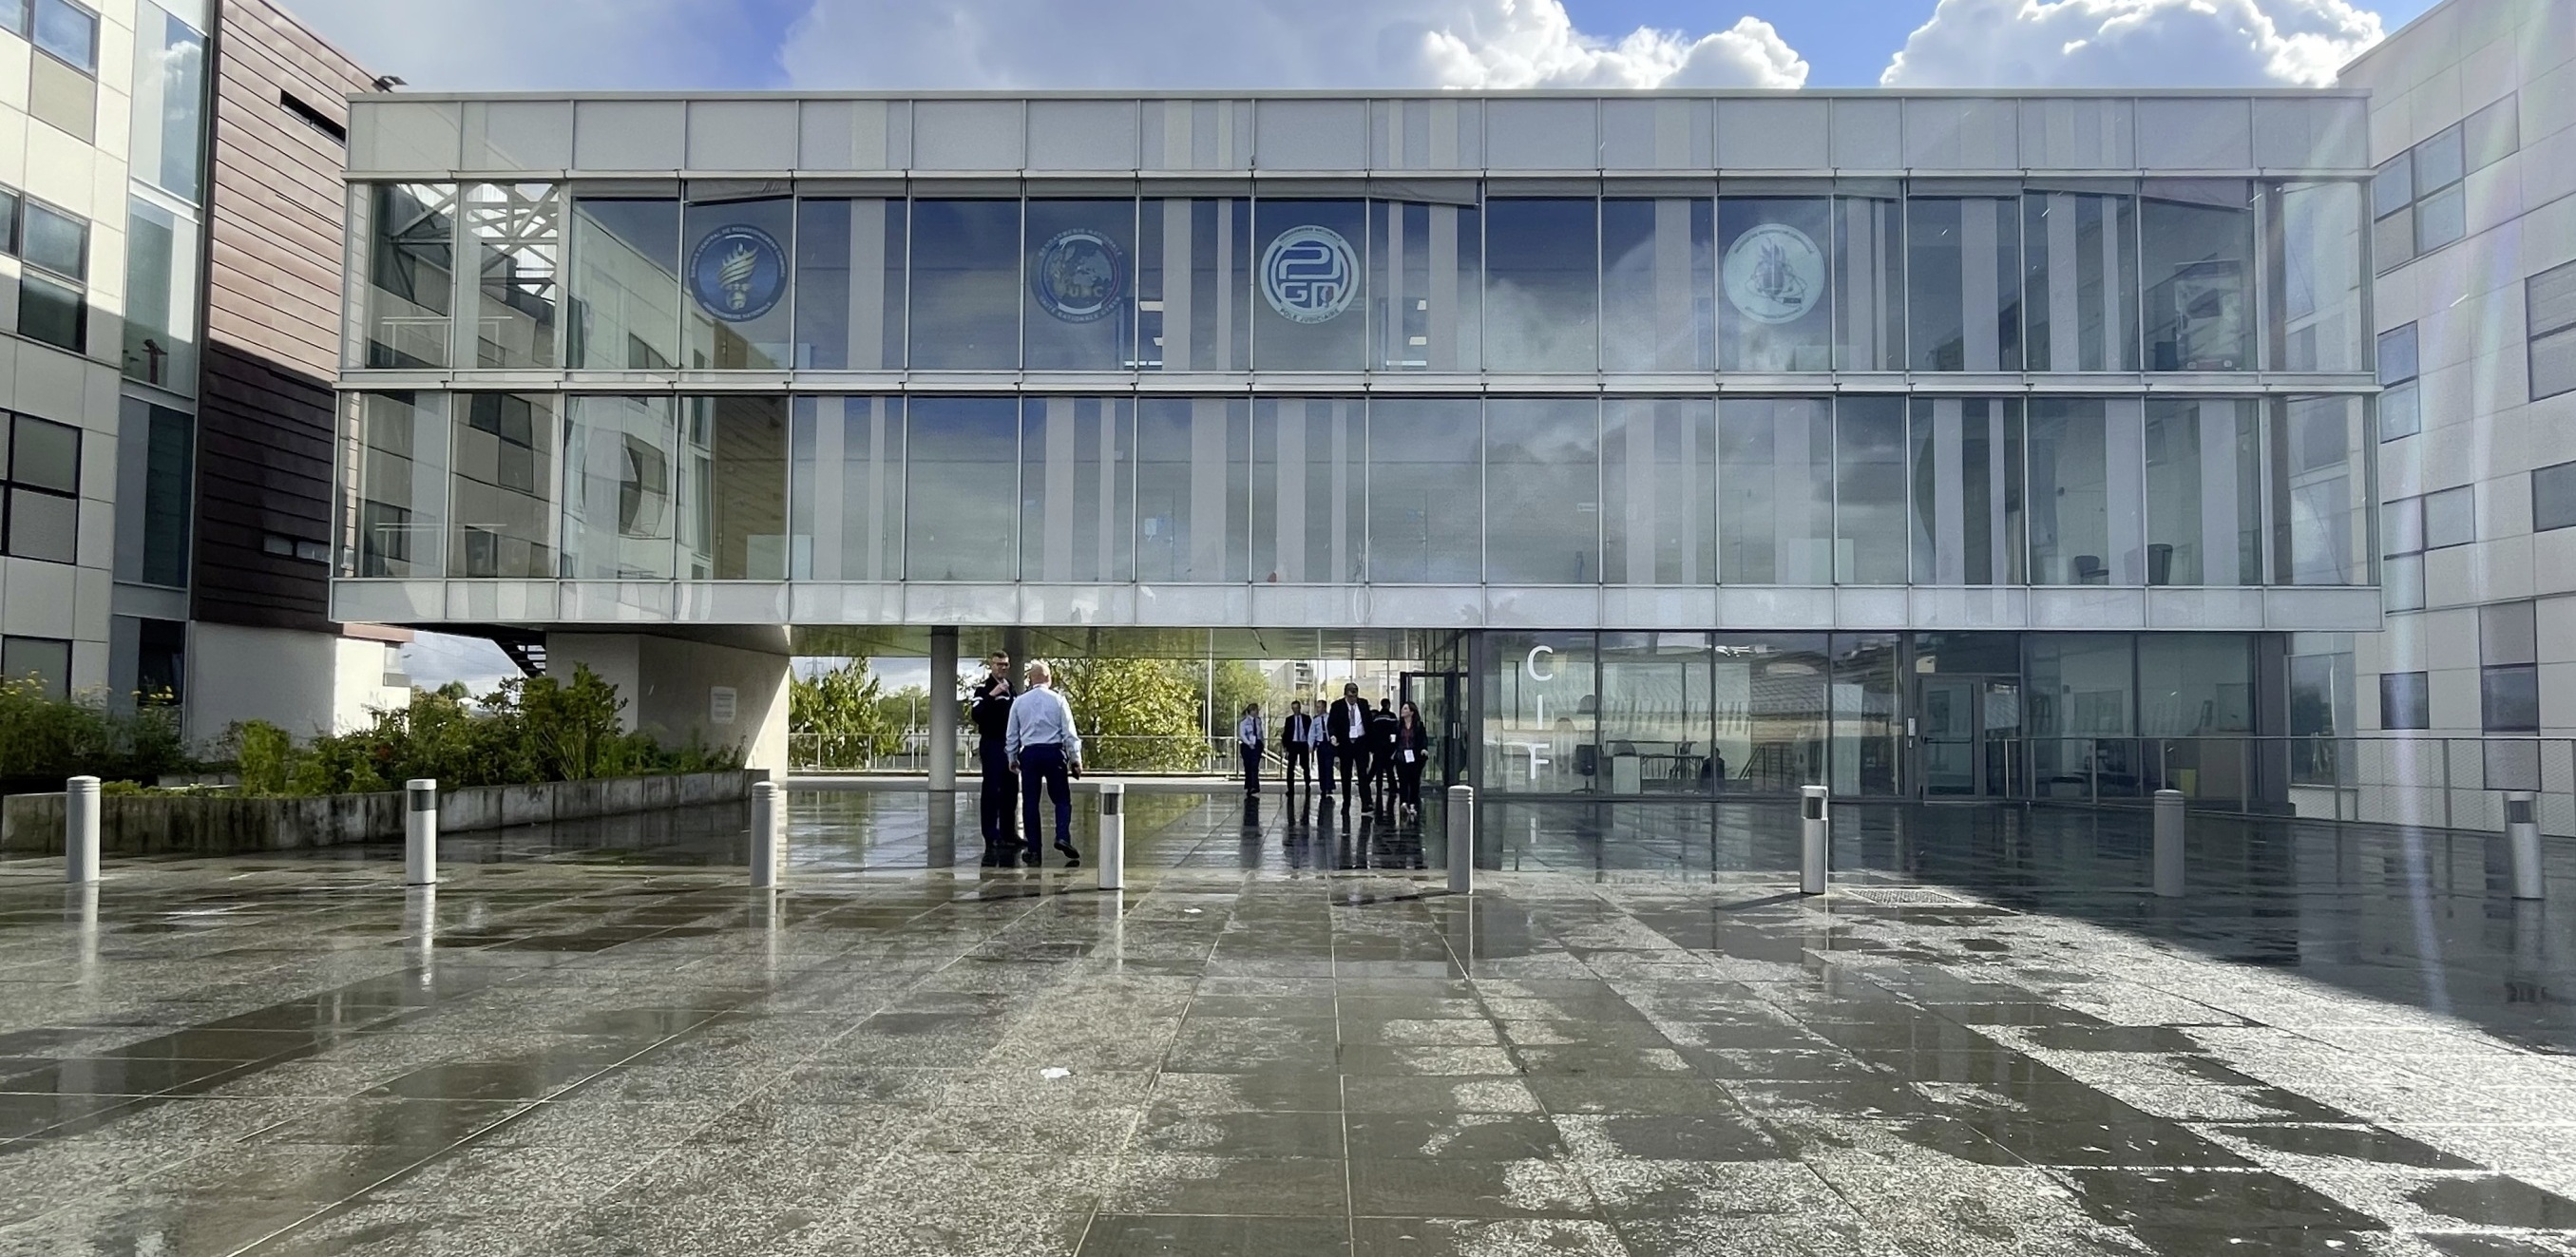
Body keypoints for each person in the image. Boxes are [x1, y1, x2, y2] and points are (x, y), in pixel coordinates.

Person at [1005, 660, 1083, 867]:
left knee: (1031, 802)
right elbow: (1069, 733)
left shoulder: (1019, 702)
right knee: (1062, 799)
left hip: (1030, 754)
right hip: (1054, 753)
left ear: (1030, 679)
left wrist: (1012, 758)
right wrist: (1075, 759)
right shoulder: (1058, 700)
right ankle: (1062, 835)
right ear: (1049, 678)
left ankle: (1034, 850)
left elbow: (1012, 734)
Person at [969, 650, 1018, 867]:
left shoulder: (1012, 689)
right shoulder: (983, 689)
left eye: (1005, 665)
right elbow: (976, 714)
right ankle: (991, 834)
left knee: (1010, 789)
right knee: (992, 790)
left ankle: (1009, 833)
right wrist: (993, 695)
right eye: (999, 665)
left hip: (1010, 744)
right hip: (991, 743)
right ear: (992, 665)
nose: (1002, 668)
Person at [1326, 682, 1371, 806]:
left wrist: (1370, 742)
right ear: (1345, 695)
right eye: (1350, 697)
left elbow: (1369, 723)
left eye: (1355, 696)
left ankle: (1366, 802)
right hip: (1345, 743)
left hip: (1360, 742)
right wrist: (1333, 736)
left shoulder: (1363, 704)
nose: (1353, 699)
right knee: (1346, 773)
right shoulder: (1337, 706)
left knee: (1362, 772)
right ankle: (1347, 801)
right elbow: (1331, 724)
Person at [1394, 699, 1430, 820]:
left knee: (1414, 781)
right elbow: (1395, 740)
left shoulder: (1418, 725)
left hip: (1415, 757)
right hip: (1401, 756)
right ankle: (1404, 803)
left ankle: (1413, 804)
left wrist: (1423, 749)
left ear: (1412, 712)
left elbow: (1423, 739)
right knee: (1403, 780)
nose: (1402, 711)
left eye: (1405, 709)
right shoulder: (1399, 725)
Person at [1365, 698, 1400, 814]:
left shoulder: (1377, 718)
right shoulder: (1392, 717)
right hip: (1388, 746)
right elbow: (1395, 731)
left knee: (1378, 767)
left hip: (1378, 747)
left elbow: (1372, 732)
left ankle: (1378, 786)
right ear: (1388, 705)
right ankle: (1392, 787)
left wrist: (1373, 746)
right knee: (1389, 769)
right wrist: (1393, 745)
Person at [1280, 700, 1315, 792]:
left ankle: (1307, 784)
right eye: (1293, 708)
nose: (1295, 710)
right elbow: (1286, 734)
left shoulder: (1307, 719)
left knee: (1305, 766)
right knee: (1291, 767)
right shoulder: (1289, 720)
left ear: (1300, 708)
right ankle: (1290, 788)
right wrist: (1286, 747)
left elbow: (1311, 732)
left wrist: (1311, 744)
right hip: (1293, 745)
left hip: (1303, 744)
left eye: (1297, 708)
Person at [1235, 702, 1264, 795]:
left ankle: (1255, 786)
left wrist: (1261, 743)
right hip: (1247, 746)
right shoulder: (1244, 722)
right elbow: (1242, 734)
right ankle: (1249, 786)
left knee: (1254, 766)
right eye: (1255, 710)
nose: (1256, 712)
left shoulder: (1258, 721)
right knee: (1248, 766)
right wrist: (1248, 743)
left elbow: (1260, 733)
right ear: (1251, 711)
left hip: (1257, 745)